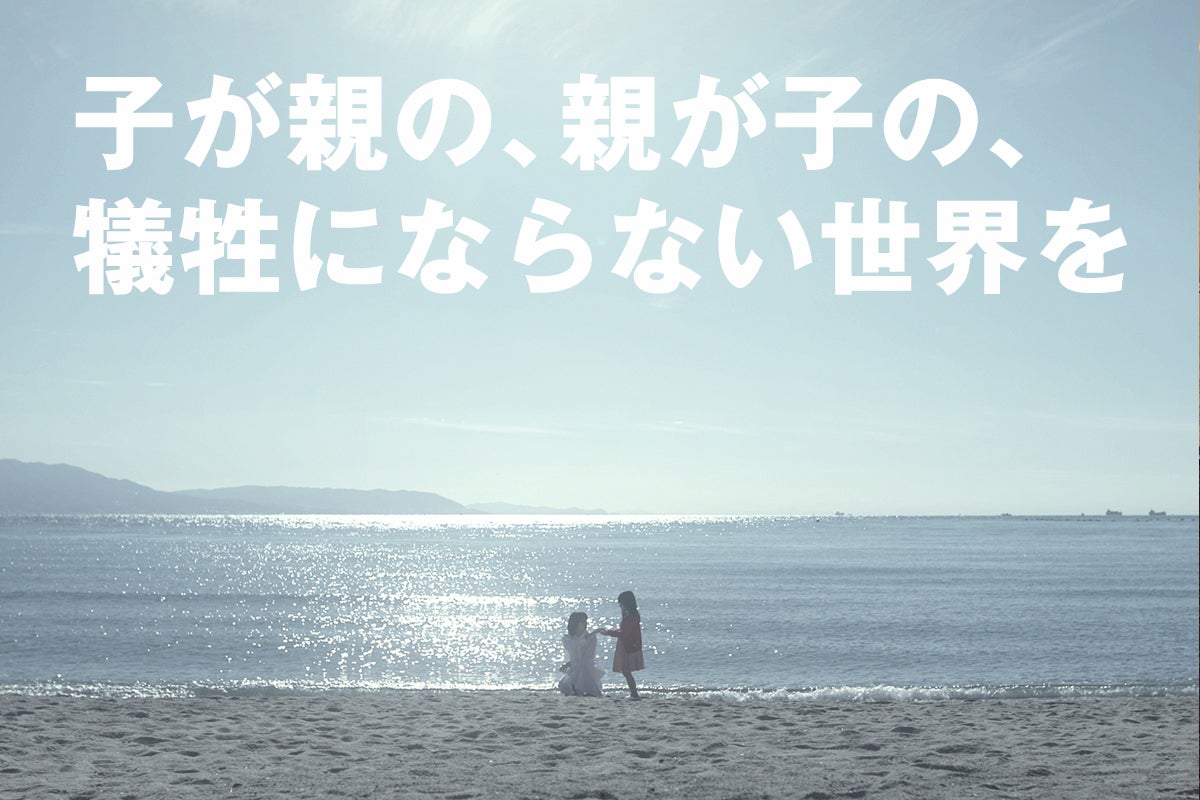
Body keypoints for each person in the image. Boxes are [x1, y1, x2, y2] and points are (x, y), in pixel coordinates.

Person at [598, 590, 643, 699]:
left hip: (628, 646)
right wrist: (610, 632)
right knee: (626, 671)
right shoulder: (632, 615)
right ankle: (634, 693)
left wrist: (609, 633)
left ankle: (634, 693)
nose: (620, 605)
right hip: (628, 644)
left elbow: (624, 633)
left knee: (626, 671)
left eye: (621, 603)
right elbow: (624, 631)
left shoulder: (631, 617)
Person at [557, 611, 604, 697]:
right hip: (575, 668)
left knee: (584, 671)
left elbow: (587, 657)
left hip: (587, 667)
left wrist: (592, 635)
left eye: (586, 621)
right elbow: (575, 646)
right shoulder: (567, 638)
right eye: (582, 622)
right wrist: (569, 664)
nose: (585, 624)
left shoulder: (591, 637)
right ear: (576, 623)